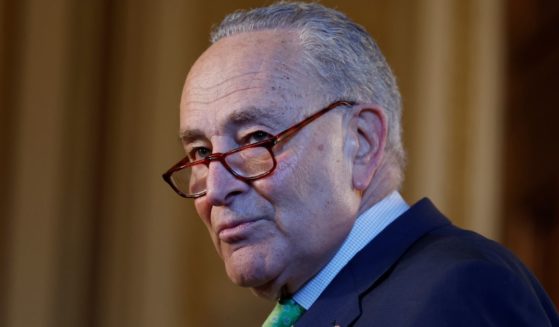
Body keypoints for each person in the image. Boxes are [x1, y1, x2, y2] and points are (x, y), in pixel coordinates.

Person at [163, 2, 559, 326]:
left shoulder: (454, 295)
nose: (214, 189)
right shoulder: (321, 305)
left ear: (362, 143)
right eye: (200, 153)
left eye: (256, 139)